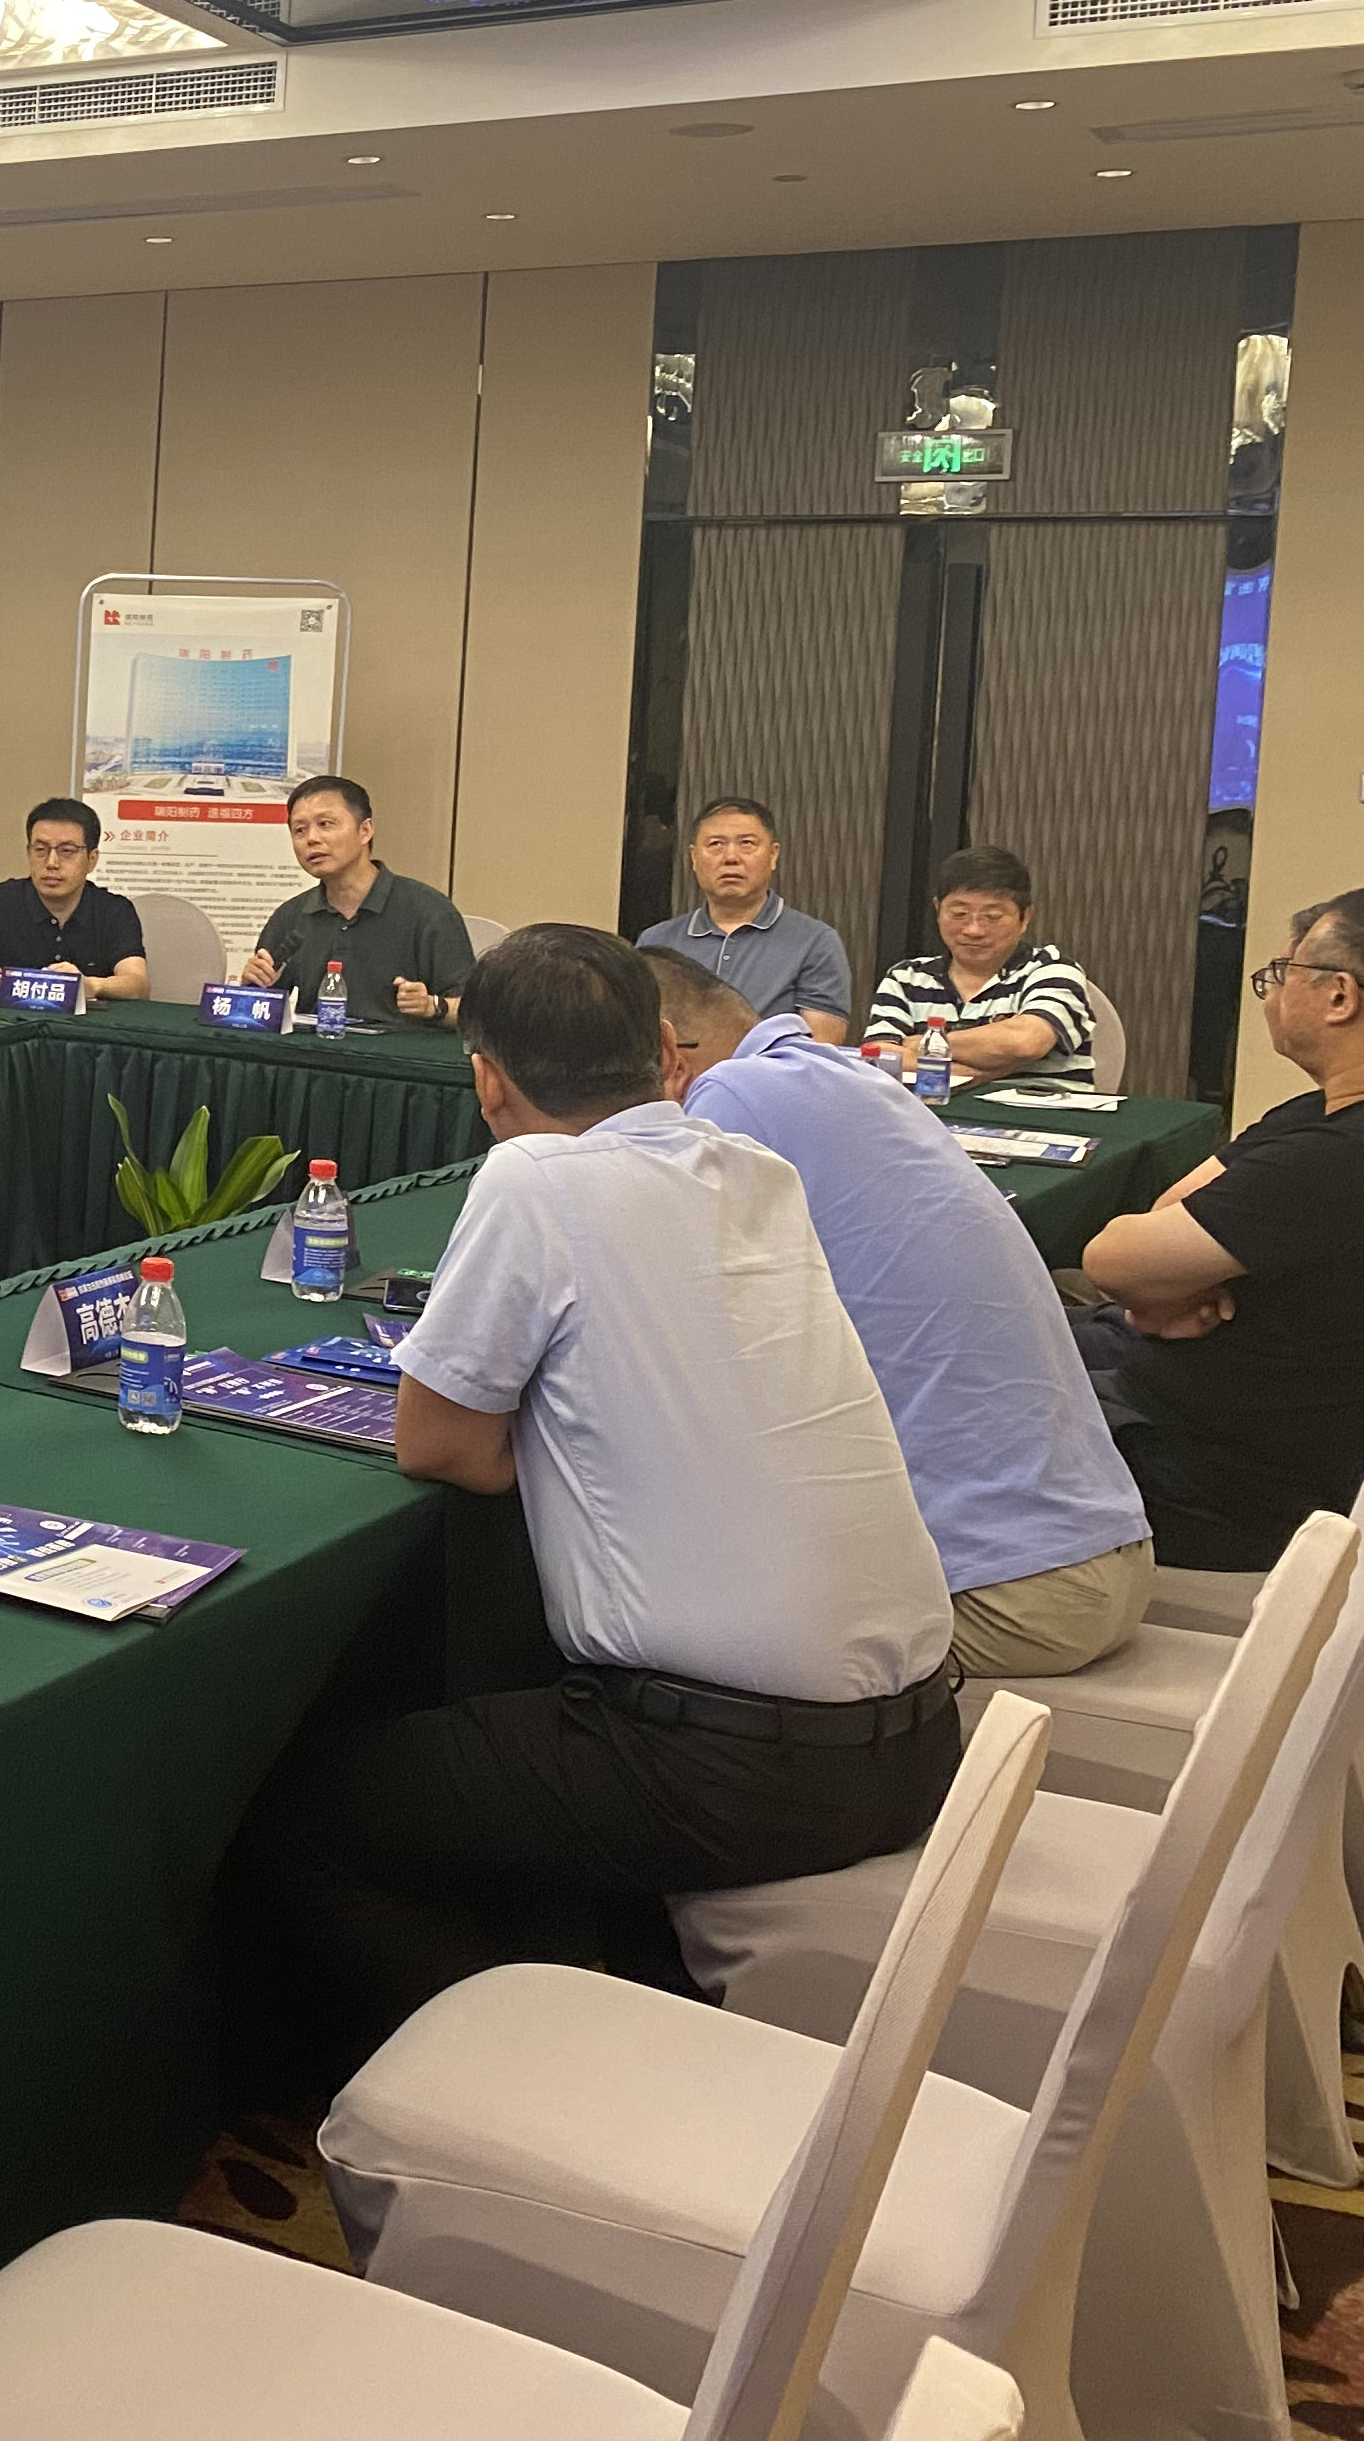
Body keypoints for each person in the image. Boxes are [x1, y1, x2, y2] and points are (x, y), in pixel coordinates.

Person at [235, 925, 956, 2075]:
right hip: (921, 1740)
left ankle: (534, 2098)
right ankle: (613, 2004)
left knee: (300, 1820)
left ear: (487, 1081)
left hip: (737, 1768)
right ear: (668, 1052)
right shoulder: (757, 1173)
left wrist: (553, 1442)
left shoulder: (535, 1176)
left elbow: (439, 1443)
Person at [652, 954, 1151, 1675]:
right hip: (1105, 1555)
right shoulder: (856, 1077)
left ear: (667, 1051)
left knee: (670, 1641)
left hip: (1005, 1597)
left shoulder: (729, 1096)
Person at [1075, 889, 1364, 1572]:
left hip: (1214, 1480)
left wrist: (1163, 1283)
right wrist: (1168, 1287)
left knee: (940, 1401)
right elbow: (1165, 1213)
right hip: (1177, 1396)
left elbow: (1110, 1257)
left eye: (1284, 973)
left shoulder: (1337, 1156)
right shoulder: (1315, 1114)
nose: (1271, 994)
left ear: (1339, 996)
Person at [238, 775, 476, 1030]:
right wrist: (251, 986)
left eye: (325, 824)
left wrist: (433, 1006)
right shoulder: (291, 916)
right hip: (317, 1050)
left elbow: (476, 1012)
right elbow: (258, 1013)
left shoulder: (428, 911)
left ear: (365, 830)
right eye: (299, 830)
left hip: (398, 1053)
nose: (311, 839)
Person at [861, 845, 1097, 1095]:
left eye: (992, 916)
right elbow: (879, 1058)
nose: (973, 930)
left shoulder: (1053, 969)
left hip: (1044, 1113)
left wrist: (921, 1045)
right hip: (932, 1113)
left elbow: (1025, 1042)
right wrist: (987, 1070)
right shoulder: (906, 978)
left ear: (1025, 917)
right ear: (938, 909)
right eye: (959, 913)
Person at [635, 794, 851, 1042]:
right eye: (716, 844)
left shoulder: (816, 942)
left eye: (747, 844)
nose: (731, 857)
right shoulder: (656, 941)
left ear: (773, 855)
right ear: (694, 858)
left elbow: (819, 1049)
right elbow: (637, 1035)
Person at [0, 798, 150, 1001]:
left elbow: (137, 983)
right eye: (40, 850)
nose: (52, 863)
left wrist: (91, 986)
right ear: (29, 853)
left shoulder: (114, 910)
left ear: (92, 859)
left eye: (66, 851)